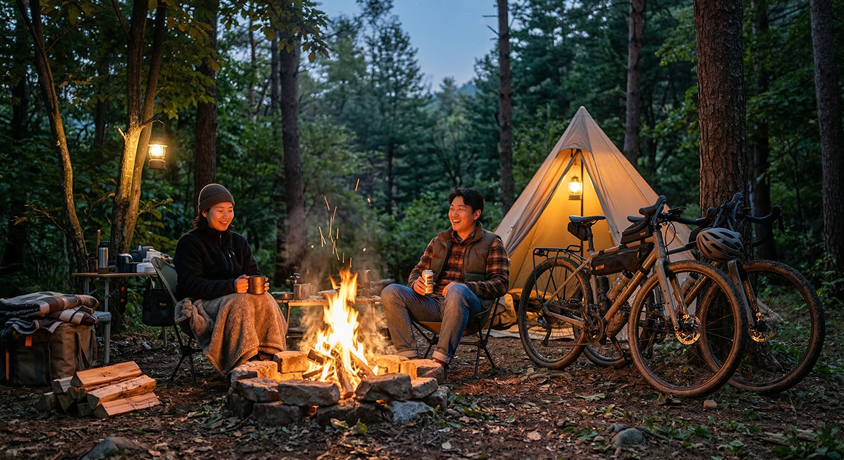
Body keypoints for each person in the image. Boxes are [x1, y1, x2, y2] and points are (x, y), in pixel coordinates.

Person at [381, 188, 510, 370]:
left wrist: (466, 287)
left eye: (460, 209)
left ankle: (438, 365)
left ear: (476, 214)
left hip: (470, 310)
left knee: (457, 291)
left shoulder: (492, 243)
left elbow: (501, 283)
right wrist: (415, 283)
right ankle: (410, 362)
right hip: (433, 305)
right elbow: (417, 271)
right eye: (451, 208)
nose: (454, 214)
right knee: (391, 291)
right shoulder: (439, 241)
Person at [174, 183, 287, 375]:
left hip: (234, 299)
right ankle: (244, 364)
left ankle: (271, 355)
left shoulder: (238, 242)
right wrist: (231, 286)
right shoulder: (189, 243)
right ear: (204, 212)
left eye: (230, 210)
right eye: (220, 210)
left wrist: (259, 283)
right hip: (202, 303)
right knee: (240, 301)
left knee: (266, 299)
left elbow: (253, 272)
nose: (226, 216)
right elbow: (191, 285)